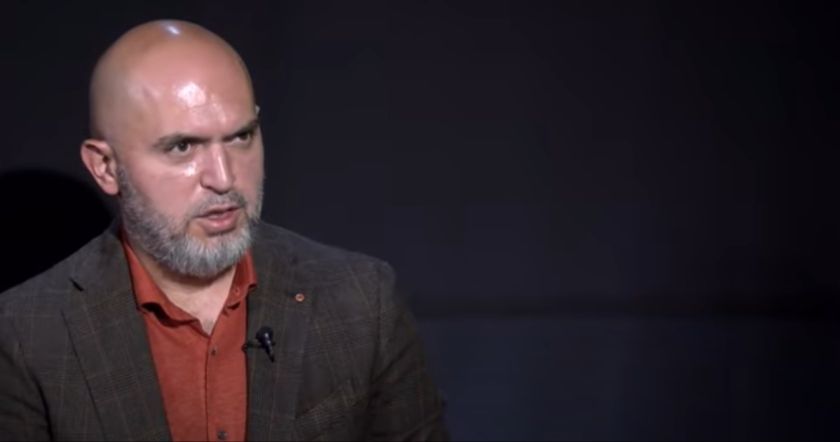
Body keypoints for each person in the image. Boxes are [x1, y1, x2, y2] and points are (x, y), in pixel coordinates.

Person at [0, 20, 448, 441]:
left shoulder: (361, 300)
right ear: (105, 167)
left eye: (240, 137)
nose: (224, 177)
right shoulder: (26, 334)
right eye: (182, 146)